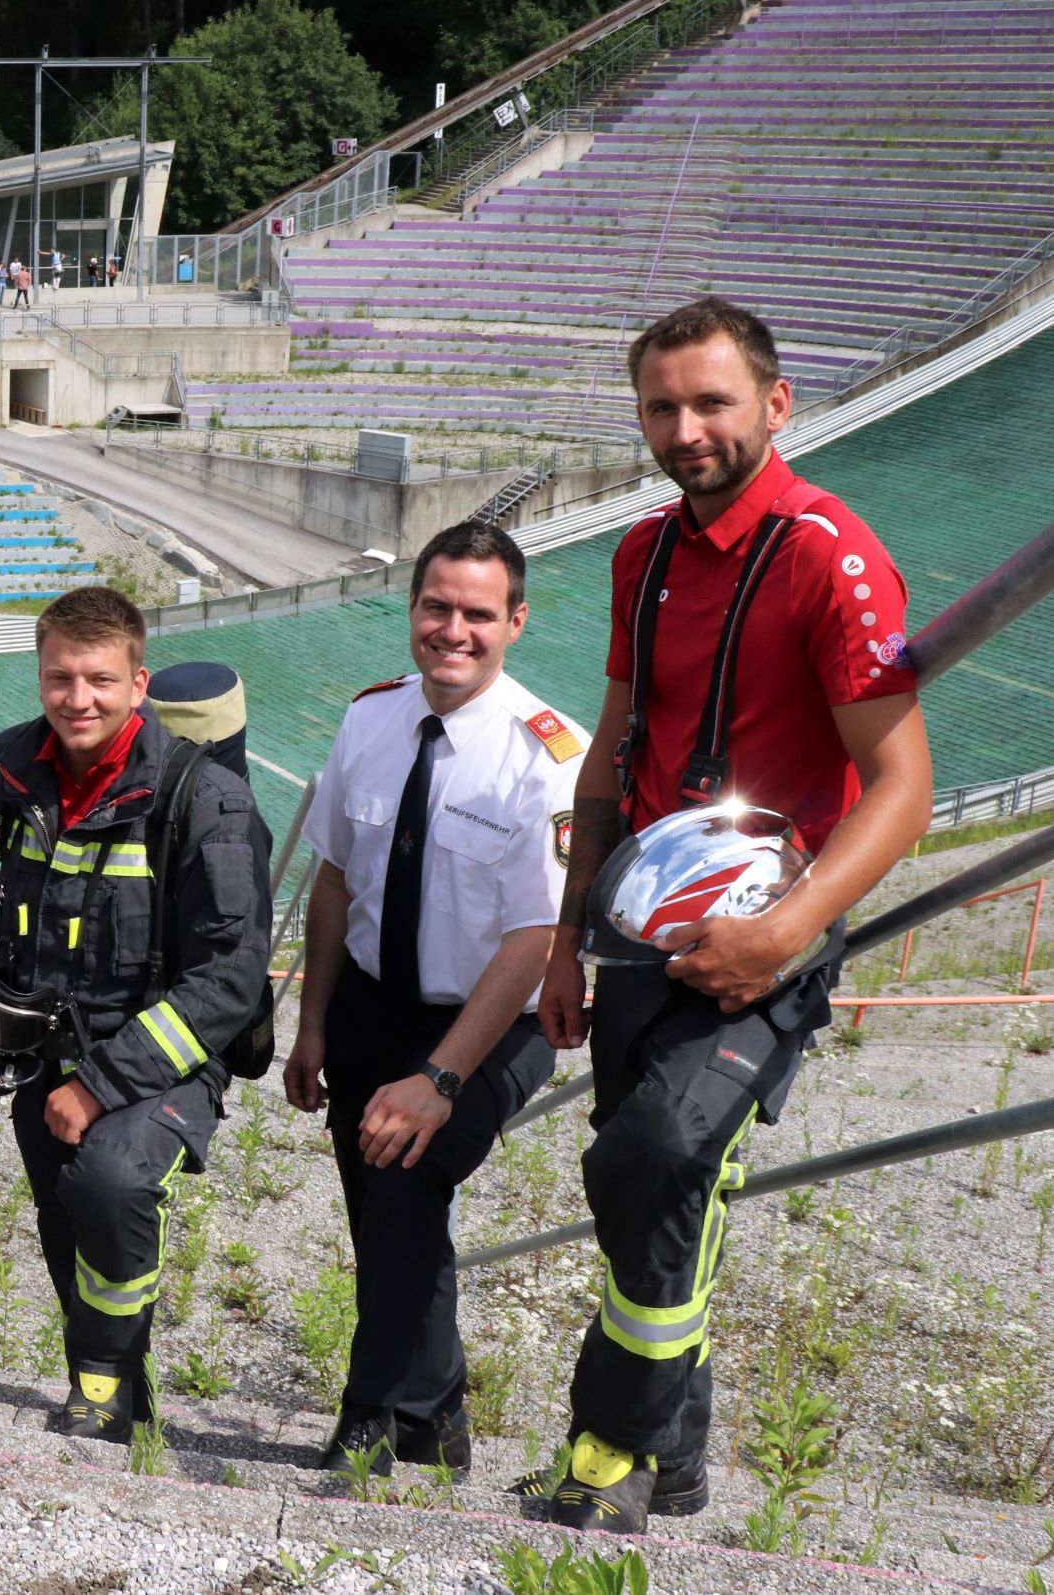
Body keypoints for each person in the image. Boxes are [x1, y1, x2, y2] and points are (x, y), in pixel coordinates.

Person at [539, 297, 932, 1533]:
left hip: (765, 943)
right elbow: (610, 744)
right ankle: (681, 1459)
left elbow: (903, 785)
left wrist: (783, 929)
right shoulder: (640, 551)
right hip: (641, 927)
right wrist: (564, 933)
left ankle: (605, 1454)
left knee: (657, 1162)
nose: (685, 428)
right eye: (661, 406)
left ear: (775, 403)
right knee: (642, 1181)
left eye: (711, 402)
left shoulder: (832, 554)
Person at [0, 586, 273, 1442]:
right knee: (67, 1222)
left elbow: (229, 979)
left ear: (137, 682)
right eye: (59, 679)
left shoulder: (206, 803)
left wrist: (102, 1083)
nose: (77, 700)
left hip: (166, 1052)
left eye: (99, 681)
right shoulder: (9, 767)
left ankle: (97, 1385)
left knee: (112, 1180)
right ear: (40, 677)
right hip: (41, 1052)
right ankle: (127, 1406)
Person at [282, 521, 581, 1480]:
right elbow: (336, 879)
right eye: (437, 607)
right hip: (374, 998)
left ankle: (367, 1418)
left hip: (495, 1017)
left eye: (479, 613)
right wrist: (314, 1022)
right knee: (380, 1207)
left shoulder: (547, 756)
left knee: (408, 1174)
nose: (455, 629)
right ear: (412, 609)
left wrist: (442, 1076)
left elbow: (534, 940)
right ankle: (438, 1411)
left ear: (516, 622)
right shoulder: (370, 720)